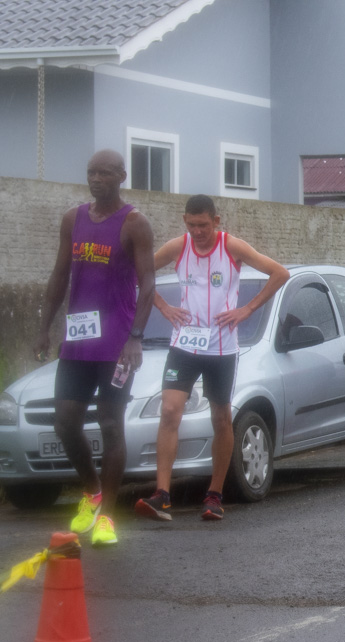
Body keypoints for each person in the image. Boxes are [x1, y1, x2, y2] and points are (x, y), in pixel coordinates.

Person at [134, 195, 289, 521]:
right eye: (191, 225)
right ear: (185, 222)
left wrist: (246, 309)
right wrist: (163, 307)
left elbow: (279, 273)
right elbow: (139, 271)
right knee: (169, 410)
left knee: (221, 418)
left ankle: (215, 494)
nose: (197, 231)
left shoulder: (232, 247)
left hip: (221, 347)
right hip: (184, 345)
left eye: (203, 225)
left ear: (216, 222)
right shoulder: (179, 247)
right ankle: (162, 494)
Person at [33, 149, 155, 546]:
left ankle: (108, 516)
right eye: (91, 172)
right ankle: (92, 490)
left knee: (109, 423)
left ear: (121, 176)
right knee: (66, 422)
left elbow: (148, 284)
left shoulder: (135, 224)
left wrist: (136, 337)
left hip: (117, 344)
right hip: (79, 340)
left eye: (105, 172)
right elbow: (59, 274)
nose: (96, 178)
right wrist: (43, 328)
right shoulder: (74, 219)